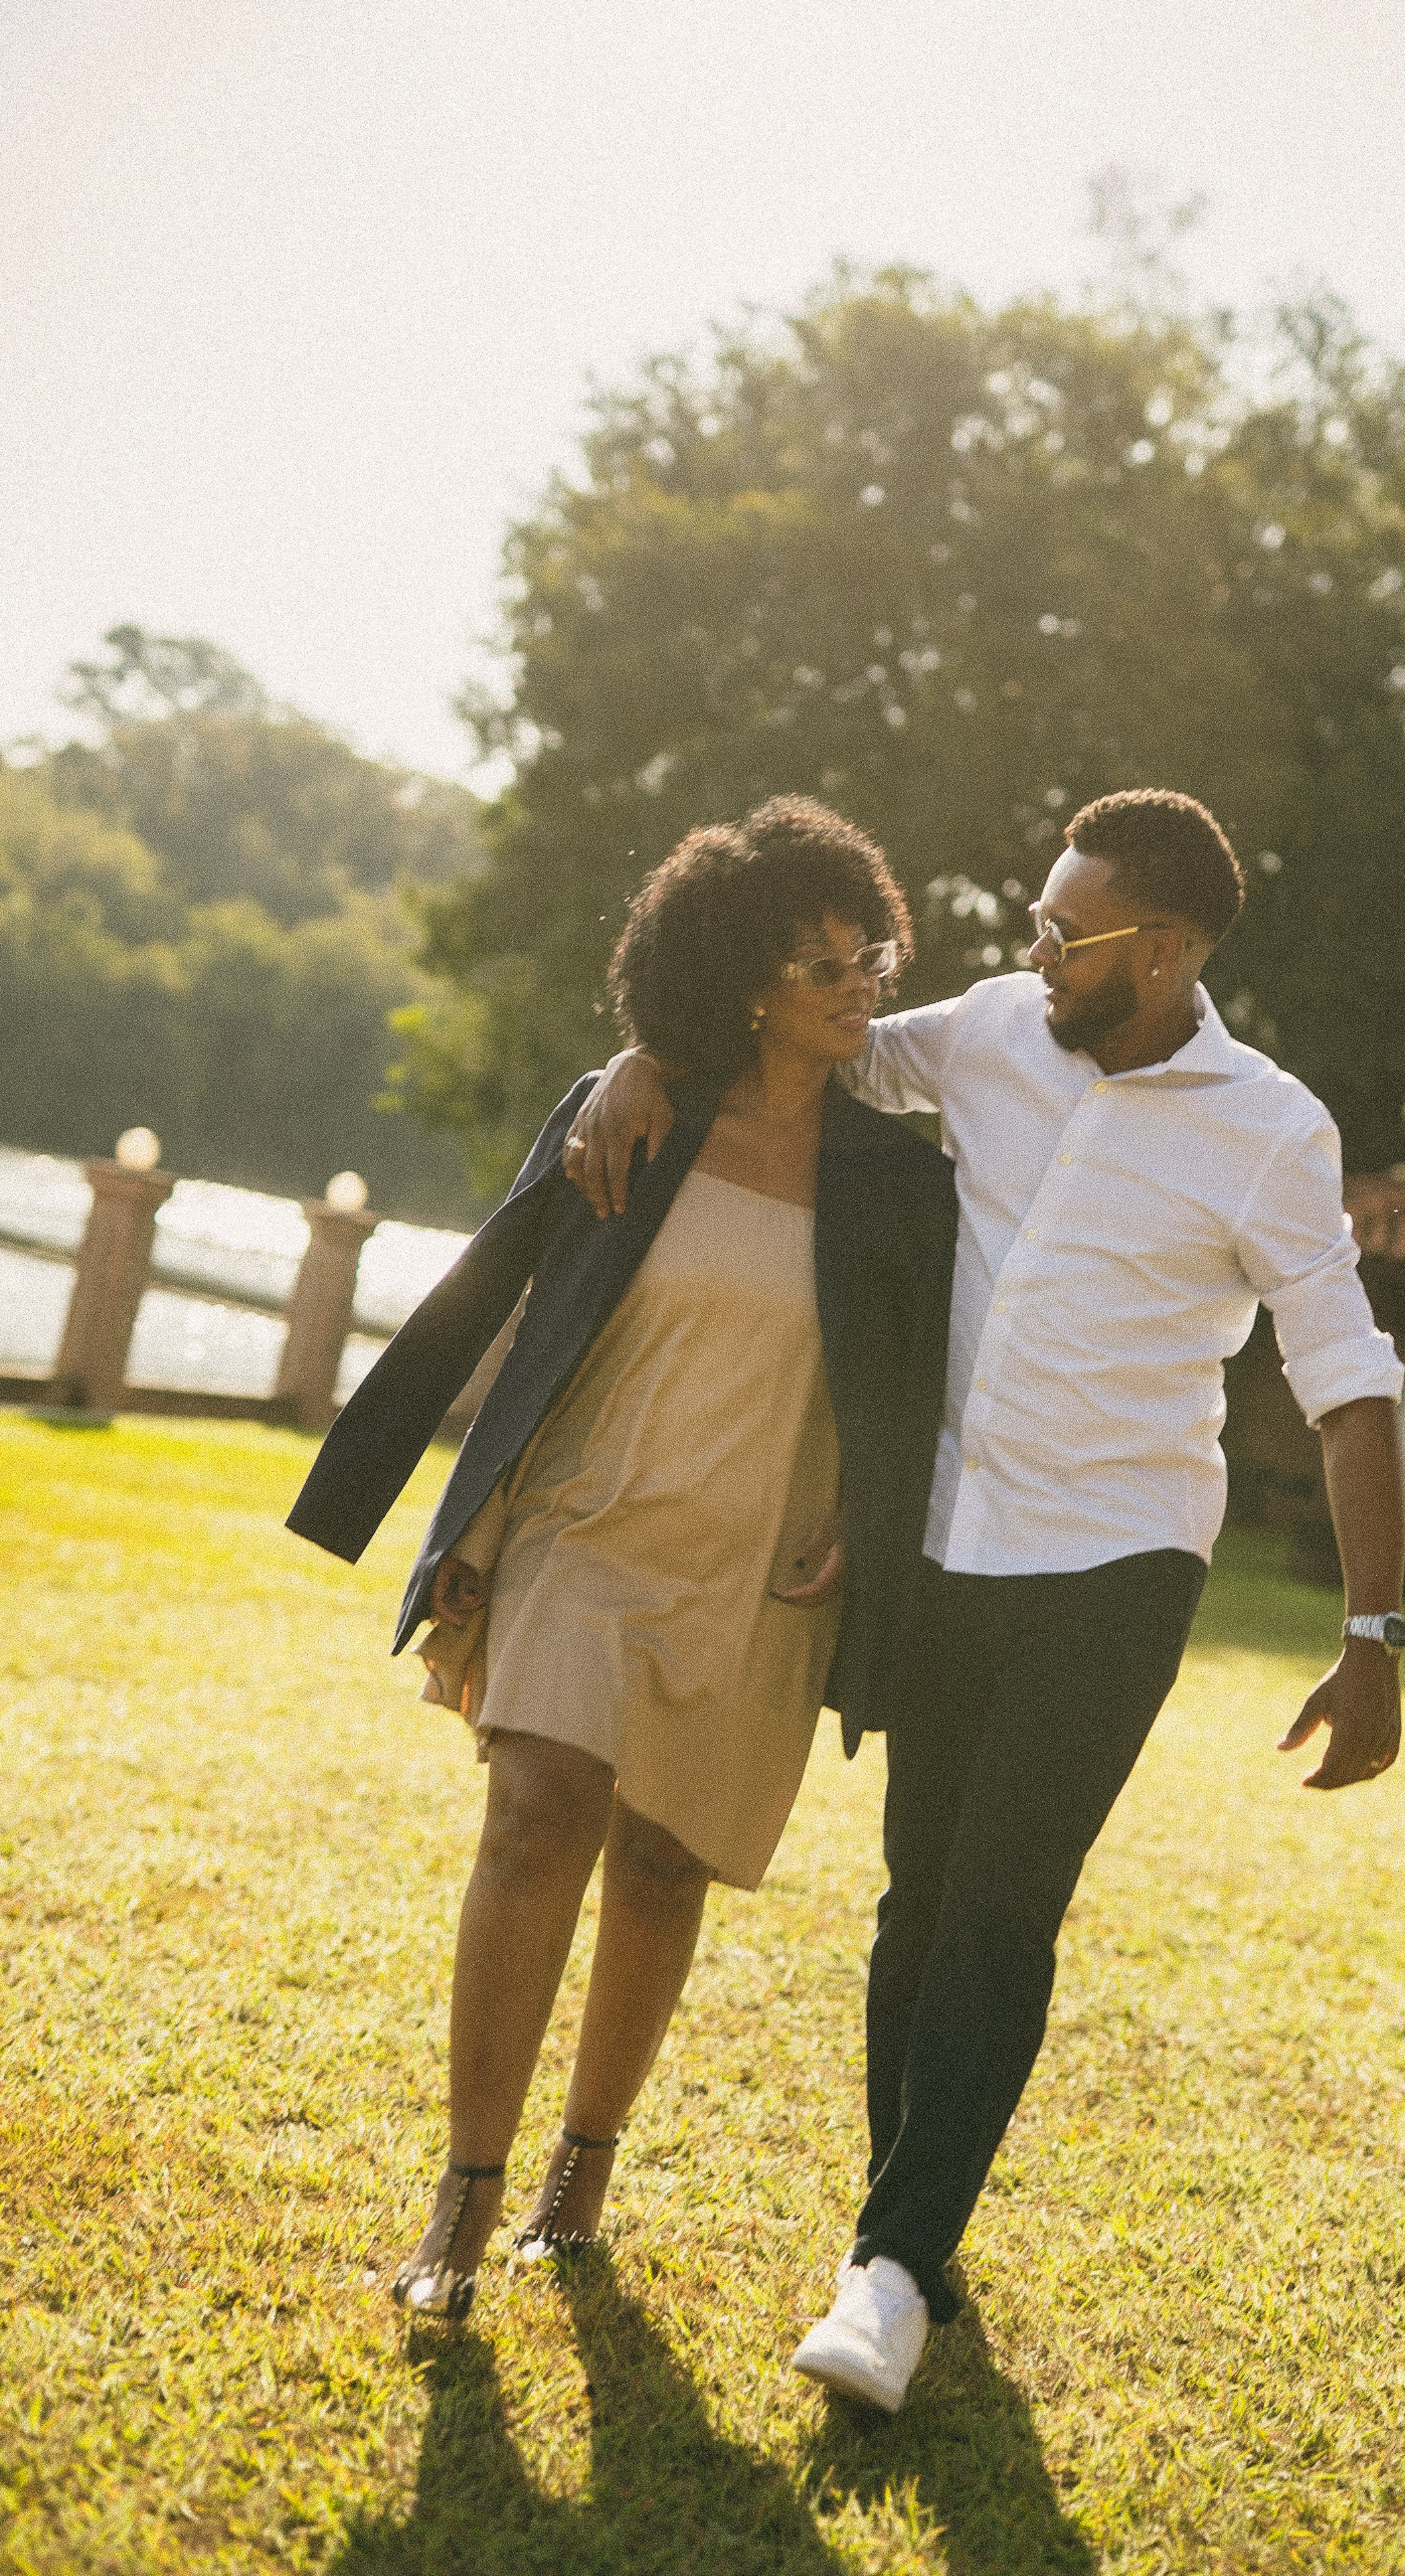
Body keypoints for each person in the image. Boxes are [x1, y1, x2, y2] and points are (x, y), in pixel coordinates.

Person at [565, 786, 1405, 2411]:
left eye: (1062, 932)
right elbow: (801, 1049)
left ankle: (881, 2273)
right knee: (915, 1902)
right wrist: (642, 1061)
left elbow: (1344, 1379)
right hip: (945, 1545)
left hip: (1117, 1563)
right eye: (1032, 921)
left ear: (1158, 954)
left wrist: (1371, 1637)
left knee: (1001, 1905)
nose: (1028, 953)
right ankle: (914, 2237)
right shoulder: (987, 1035)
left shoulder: (1270, 1130)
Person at [286, 797, 956, 2323]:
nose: (862, 982)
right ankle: (460, 2198)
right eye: (821, 962)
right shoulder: (631, 1117)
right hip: (587, 1522)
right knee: (534, 1819)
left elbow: (905, 1386)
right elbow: (522, 1313)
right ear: (740, 984)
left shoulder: (898, 1180)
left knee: (661, 1863)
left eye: (873, 951)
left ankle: (578, 2179)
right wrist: (478, 1517)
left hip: (759, 1560)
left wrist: (864, 1524)